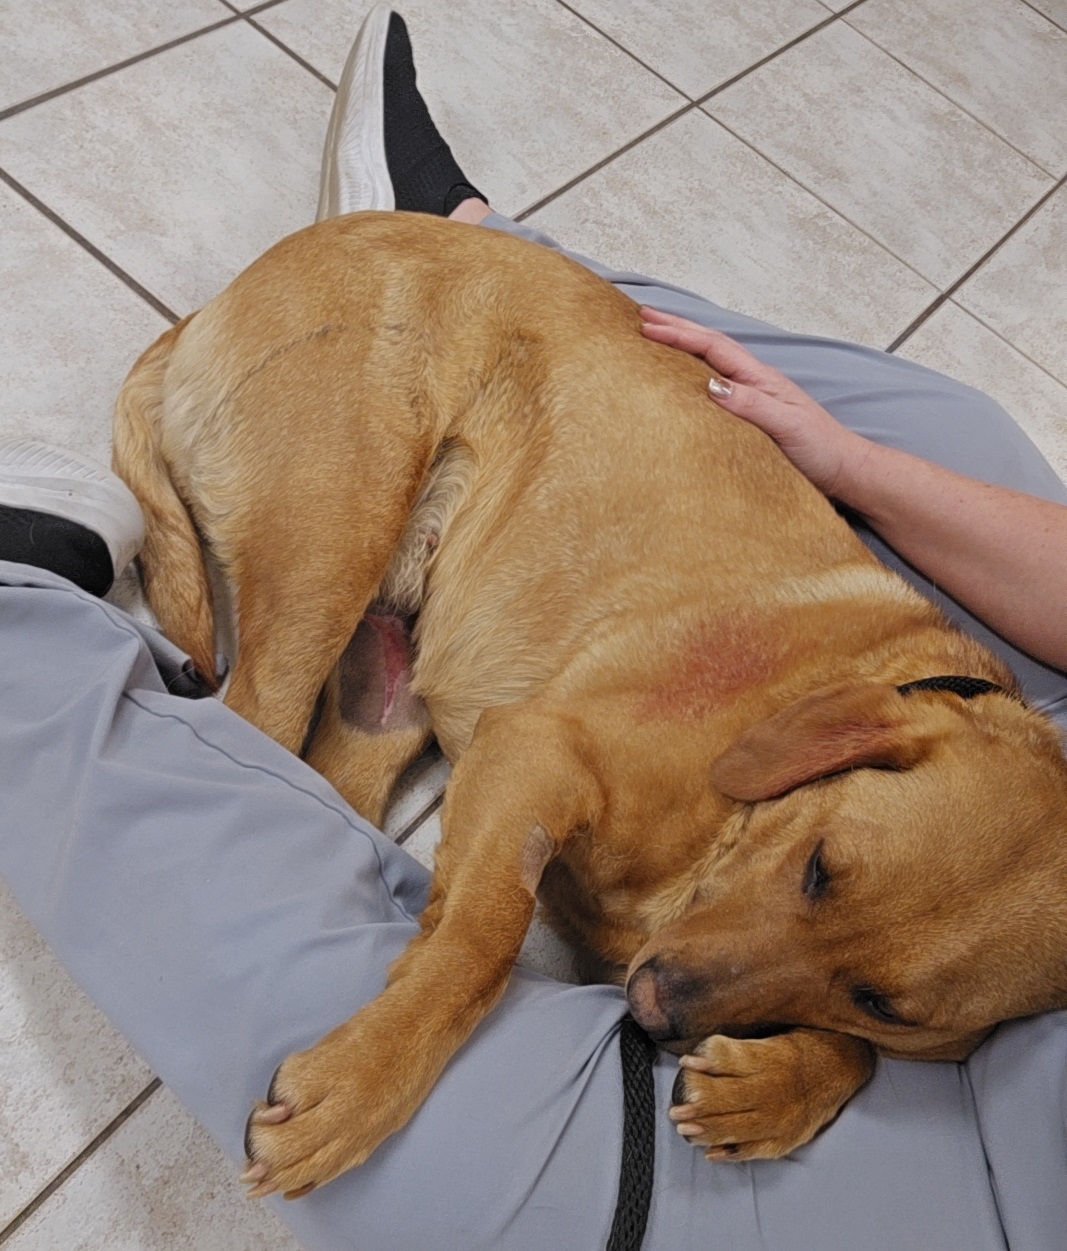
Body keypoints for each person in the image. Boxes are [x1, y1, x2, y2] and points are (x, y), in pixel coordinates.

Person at [2, 8, 1066, 1250]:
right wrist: (444, 994)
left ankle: (447, 294)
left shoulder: (947, 933)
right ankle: (437, 242)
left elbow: (918, 973)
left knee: (308, 814)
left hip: (496, 550)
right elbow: (531, 755)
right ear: (833, 747)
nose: (676, 1000)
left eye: (877, 996)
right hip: (425, 348)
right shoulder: (801, 739)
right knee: (262, 731)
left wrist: (833, 1058)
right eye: (815, 873)